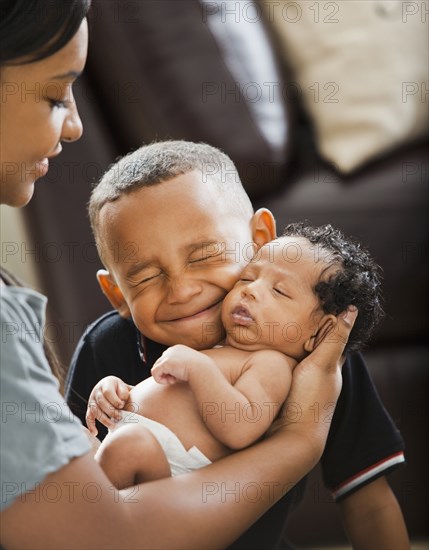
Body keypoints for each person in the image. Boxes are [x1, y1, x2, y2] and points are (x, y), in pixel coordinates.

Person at [0, 2, 359, 549]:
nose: (73, 124)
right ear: (116, 293)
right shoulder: (103, 340)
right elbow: (102, 528)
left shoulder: (306, 354)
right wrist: (299, 442)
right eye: (53, 95)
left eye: (203, 256)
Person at [66, 140, 409, 549]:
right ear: (118, 294)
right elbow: (72, 480)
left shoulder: (316, 355)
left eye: (204, 256)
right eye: (144, 279)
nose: (182, 290)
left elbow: (368, 503)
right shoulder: (105, 348)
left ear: (262, 238)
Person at [89, 223, 384, 489]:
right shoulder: (223, 350)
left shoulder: (272, 365)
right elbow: (173, 404)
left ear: (318, 332)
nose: (251, 291)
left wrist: (198, 368)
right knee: (69, 444)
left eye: (279, 291)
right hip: (132, 444)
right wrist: (120, 391)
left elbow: (241, 427)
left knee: (127, 447)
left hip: (164, 468)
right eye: (247, 278)